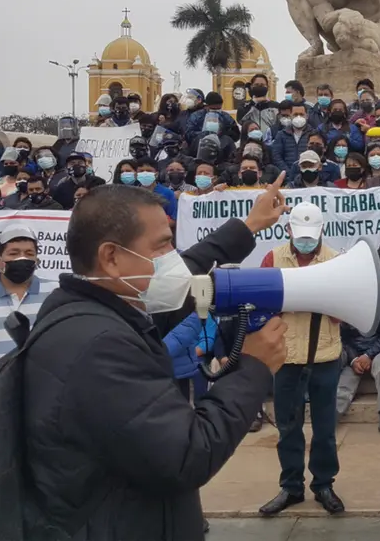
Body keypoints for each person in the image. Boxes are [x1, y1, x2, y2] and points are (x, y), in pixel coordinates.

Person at [22, 177, 288, 539]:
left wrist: (248, 225)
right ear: (111, 257)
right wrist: (253, 369)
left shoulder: (87, 305)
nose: (173, 260)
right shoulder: (101, 347)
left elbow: (183, 266)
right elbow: (187, 454)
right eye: (163, 246)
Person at [258, 202, 346, 516]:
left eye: (312, 234)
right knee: (288, 426)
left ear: (322, 230)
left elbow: (341, 314)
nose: (306, 240)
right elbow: (263, 304)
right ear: (288, 230)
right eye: (299, 234)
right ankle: (291, 487)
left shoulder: (336, 260)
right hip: (286, 356)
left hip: (324, 355)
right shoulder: (273, 258)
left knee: (324, 428)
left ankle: (324, 484)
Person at [0, 224, 57, 378]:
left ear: (37, 261)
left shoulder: (56, 294)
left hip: (38, 390)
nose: (22, 258)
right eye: (13, 253)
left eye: (29, 253)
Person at [336, 309, 380, 432]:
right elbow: (342, 339)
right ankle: (334, 412)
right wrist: (354, 359)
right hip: (356, 355)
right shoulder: (347, 310)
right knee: (347, 378)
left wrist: (369, 355)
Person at [270, 102, 312, 178]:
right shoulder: (281, 134)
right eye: (295, 114)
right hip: (287, 177)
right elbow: (276, 156)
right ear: (290, 116)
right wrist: (289, 173)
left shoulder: (313, 134)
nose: (298, 117)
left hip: (308, 174)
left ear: (307, 116)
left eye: (301, 114)